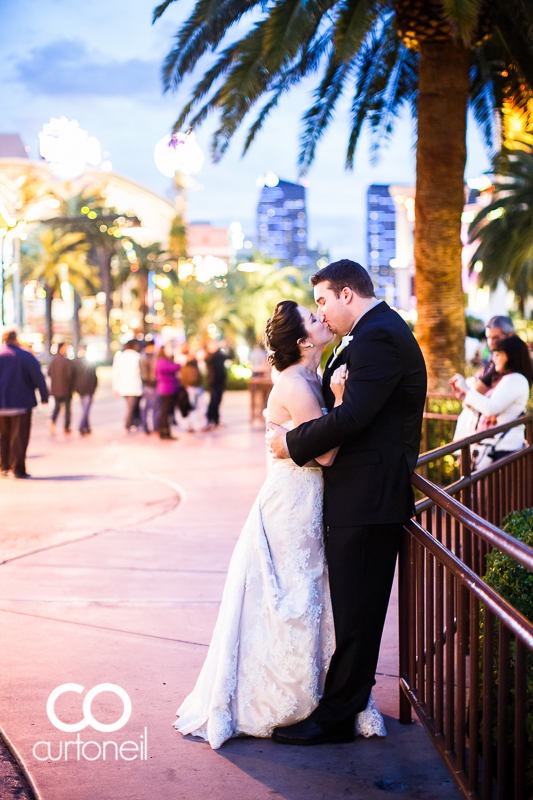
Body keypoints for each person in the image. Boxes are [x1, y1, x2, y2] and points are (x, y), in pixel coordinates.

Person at [174, 300, 386, 748]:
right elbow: (325, 453)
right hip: (292, 505)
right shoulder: (295, 383)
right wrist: (343, 402)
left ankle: (314, 695)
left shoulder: (313, 374)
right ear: (304, 340)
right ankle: (286, 701)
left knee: (306, 594)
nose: (321, 318)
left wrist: (315, 418)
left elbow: (311, 439)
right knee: (294, 595)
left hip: (306, 499)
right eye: (313, 318)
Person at [267, 259, 427, 746]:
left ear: (346, 295)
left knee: (358, 614)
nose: (320, 311)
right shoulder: (371, 332)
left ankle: (335, 718)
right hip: (360, 492)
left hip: (369, 496)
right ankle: (341, 705)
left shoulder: (378, 336)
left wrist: (291, 443)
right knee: (352, 610)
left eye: (321, 301)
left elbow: (355, 415)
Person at [451, 335, 532, 470]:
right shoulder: (509, 379)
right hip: (498, 448)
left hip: (503, 450)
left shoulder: (515, 379)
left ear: (512, 356)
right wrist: (466, 394)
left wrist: (466, 389)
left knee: (493, 491)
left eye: (498, 354)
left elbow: (491, 407)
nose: (494, 358)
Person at [0, 329, 49, 478]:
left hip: (1, 405)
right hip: (21, 404)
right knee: (19, 437)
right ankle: (18, 469)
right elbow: (38, 377)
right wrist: (44, 396)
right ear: (16, 340)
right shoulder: (25, 356)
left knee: (3, 436)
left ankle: (4, 466)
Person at [451, 315, 514, 398]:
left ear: (510, 336)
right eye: (488, 338)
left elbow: (477, 390)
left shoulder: (508, 359)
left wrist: (467, 385)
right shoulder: (497, 357)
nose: (491, 343)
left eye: (496, 338)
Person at [112, 340, 143, 432]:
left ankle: (133, 422)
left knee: (131, 406)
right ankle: (128, 424)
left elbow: (115, 373)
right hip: (135, 386)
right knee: (131, 407)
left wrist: (115, 388)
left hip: (123, 387)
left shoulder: (119, 357)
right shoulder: (138, 356)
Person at [48, 342, 74, 435]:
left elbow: (49, 373)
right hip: (66, 389)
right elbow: (70, 375)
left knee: (57, 407)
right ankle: (66, 427)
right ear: (62, 348)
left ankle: (52, 421)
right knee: (67, 409)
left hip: (56, 389)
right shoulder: (66, 360)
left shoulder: (53, 360)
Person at [156, 345, 180, 440]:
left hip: (169, 389)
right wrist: (178, 362)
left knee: (166, 411)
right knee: (165, 412)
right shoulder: (162, 362)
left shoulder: (165, 361)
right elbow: (174, 368)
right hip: (166, 390)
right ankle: (164, 432)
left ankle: (165, 431)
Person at [73, 346, 98, 436]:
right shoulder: (89, 362)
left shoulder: (76, 362)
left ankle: (86, 427)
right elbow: (94, 377)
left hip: (82, 389)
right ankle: (82, 426)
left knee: (85, 407)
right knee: (86, 409)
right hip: (87, 389)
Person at [179, 354, 207, 432]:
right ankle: (192, 425)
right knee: (193, 407)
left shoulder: (193, 366)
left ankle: (197, 425)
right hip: (192, 388)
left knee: (197, 407)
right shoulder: (192, 367)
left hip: (195, 388)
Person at [204, 341, 226, 430]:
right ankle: (211, 420)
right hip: (213, 382)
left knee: (218, 401)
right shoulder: (210, 357)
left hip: (220, 381)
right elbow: (208, 359)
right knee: (213, 401)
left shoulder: (219, 355)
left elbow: (227, 356)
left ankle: (216, 420)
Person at [140, 341, 159, 435]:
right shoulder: (144, 357)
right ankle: (146, 428)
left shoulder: (153, 356)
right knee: (147, 408)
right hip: (147, 385)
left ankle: (154, 427)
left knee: (154, 407)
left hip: (153, 385)